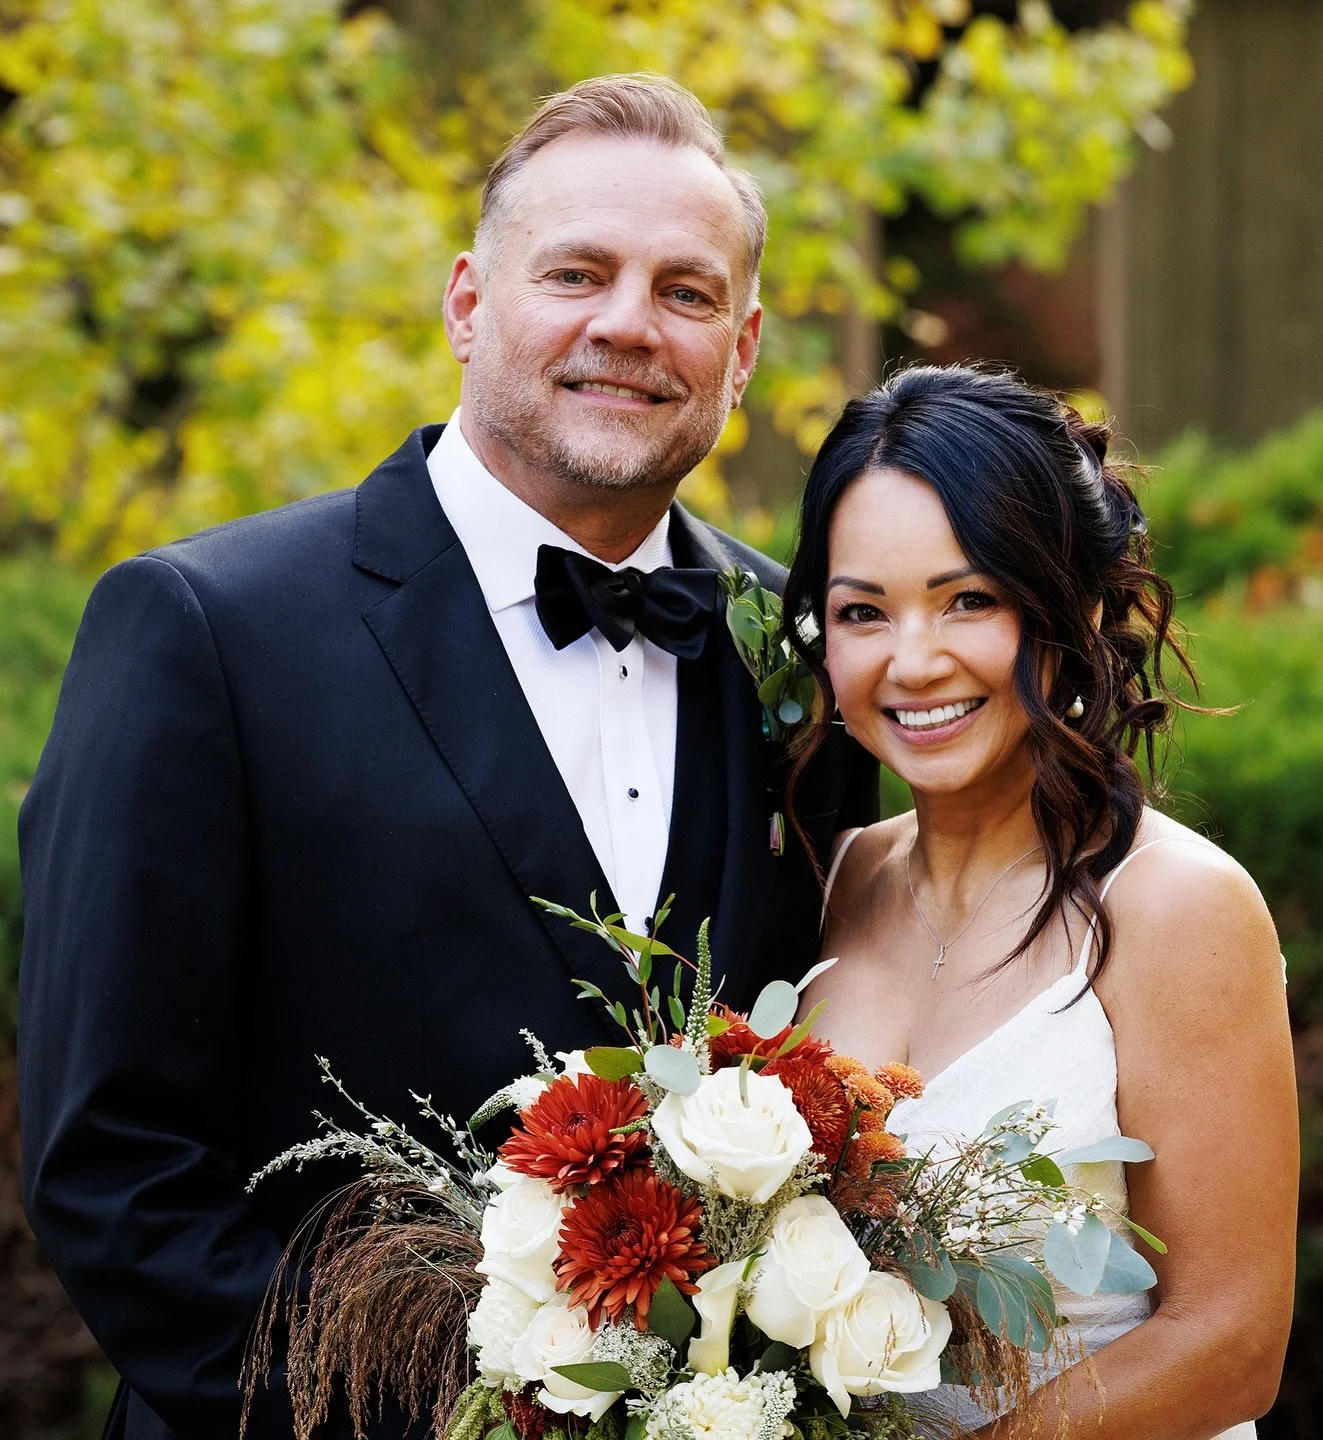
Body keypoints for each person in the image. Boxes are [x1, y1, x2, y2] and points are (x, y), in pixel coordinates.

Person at [18, 75, 875, 1440]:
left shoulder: (810, 655)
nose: (626, 325)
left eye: (687, 291)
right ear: (469, 304)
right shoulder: (202, 631)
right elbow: (112, 1170)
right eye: (577, 272)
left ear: (748, 344)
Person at [784, 365, 1298, 1438]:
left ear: (1077, 606)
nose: (913, 661)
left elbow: (1234, 1338)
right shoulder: (834, 884)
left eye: (968, 599)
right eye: (863, 611)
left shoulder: (1179, 908)